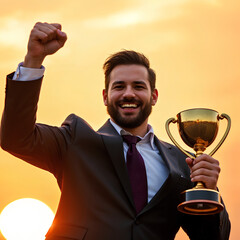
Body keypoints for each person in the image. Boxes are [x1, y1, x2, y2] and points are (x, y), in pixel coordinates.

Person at [0, 22, 230, 240]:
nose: (128, 93)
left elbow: (211, 237)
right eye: (119, 86)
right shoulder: (75, 141)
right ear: (105, 96)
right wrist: (33, 59)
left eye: (138, 86)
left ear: (154, 96)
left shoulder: (182, 164)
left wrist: (210, 189)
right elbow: (16, 138)